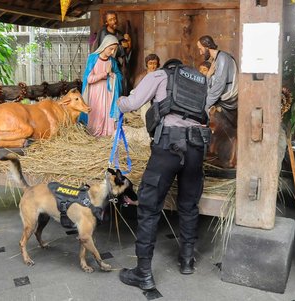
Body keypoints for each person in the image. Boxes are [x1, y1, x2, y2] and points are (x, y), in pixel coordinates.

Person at [117, 59, 209, 290]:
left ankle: (143, 273)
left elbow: (132, 103)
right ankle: (187, 261)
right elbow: (206, 114)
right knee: (189, 205)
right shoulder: (200, 82)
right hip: (197, 147)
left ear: (167, 67)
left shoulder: (159, 75)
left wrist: (119, 101)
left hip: (169, 145)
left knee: (148, 208)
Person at [80, 35, 123, 137]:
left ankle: (107, 133)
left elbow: (119, 76)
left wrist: (114, 76)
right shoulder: (93, 58)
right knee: (97, 113)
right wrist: (105, 73)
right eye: (111, 49)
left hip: (108, 92)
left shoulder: (112, 61)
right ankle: (94, 133)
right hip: (95, 92)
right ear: (105, 46)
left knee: (107, 113)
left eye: (114, 50)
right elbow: (89, 79)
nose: (112, 52)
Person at [92, 11, 132, 95]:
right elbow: (107, 51)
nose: (114, 21)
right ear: (106, 22)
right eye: (110, 20)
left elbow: (125, 53)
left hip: (116, 65)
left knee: (122, 82)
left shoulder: (119, 33)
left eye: (114, 19)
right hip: (105, 65)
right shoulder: (103, 33)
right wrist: (122, 46)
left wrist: (129, 41)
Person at [196, 35, 238, 114]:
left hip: (227, 98)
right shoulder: (215, 59)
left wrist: (206, 104)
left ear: (207, 47)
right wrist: (208, 75)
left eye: (200, 49)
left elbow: (219, 85)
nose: (200, 53)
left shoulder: (222, 58)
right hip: (217, 95)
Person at [134, 54, 160, 126]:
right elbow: (135, 90)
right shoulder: (141, 76)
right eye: (150, 63)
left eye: (155, 63)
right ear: (147, 64)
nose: (153, 66)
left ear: (158, 64)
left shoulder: (159, 75)